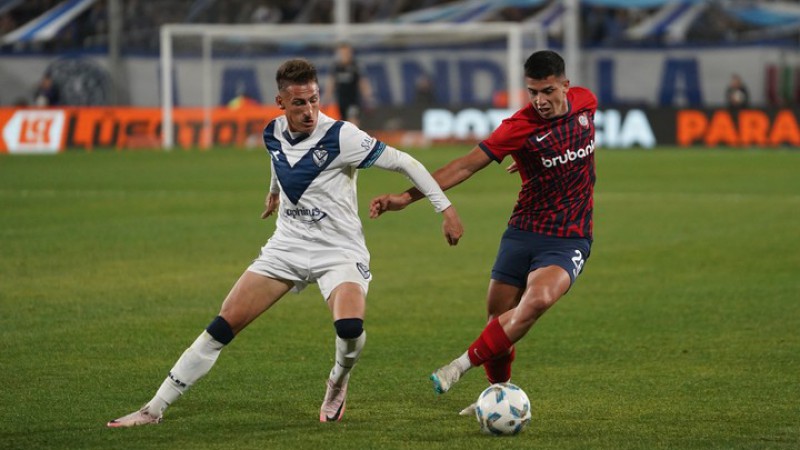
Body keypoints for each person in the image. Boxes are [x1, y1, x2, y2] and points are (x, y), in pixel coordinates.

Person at [107, 58, 463, 427]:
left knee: (350, 329)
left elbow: (407, 163)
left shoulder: (343, 136)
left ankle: (338, 382)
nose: (309, 110)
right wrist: (274, 192)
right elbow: (279, 161)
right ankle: (153, 409)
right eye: (299, 103)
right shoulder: (271, 132)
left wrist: (446, 209)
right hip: (287, 247)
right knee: (221, 327)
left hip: (338, 251)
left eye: (314, 99)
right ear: (281, 103)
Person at [370, 50, 597, 414]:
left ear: (566, 86)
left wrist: (538, 159)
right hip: (523, 230)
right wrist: (405, 197)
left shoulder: (587, 102)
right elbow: (463, 166)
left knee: (536, 302)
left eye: (547, 91)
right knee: (497, 320)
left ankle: (458, 367)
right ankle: (497, 397)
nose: (539, 100)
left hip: (569, 235)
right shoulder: (518, 127)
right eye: (532, 92)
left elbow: (568, 141)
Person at [324, 43, 372, 126]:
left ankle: (355, 138)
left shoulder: (356, 66)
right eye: (342, 54)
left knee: (353, 120)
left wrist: (368, 98)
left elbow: (363, 83)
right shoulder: (336, 67)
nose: (344, 56)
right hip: (341, 101)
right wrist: (326, 99)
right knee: (344, 123)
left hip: (353, 100)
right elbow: (331, 84)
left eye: (346, 53)